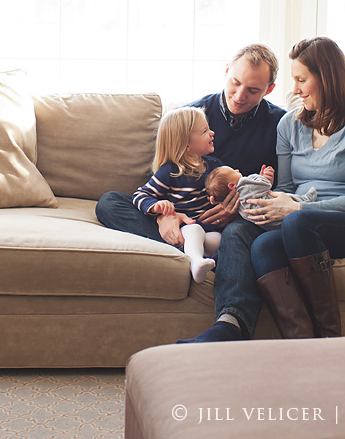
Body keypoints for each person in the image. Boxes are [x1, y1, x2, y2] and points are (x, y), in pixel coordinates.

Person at [96, 43, 286, 343]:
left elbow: (283, 188)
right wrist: (163, 215)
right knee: (109, 203)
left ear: (270, 89)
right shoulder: (194, 115)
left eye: (253, 90)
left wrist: (238, 205)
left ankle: (230, 324)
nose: (239, 96)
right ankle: (193, 247)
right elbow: (160, 178)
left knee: (236, 236)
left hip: (238, 219)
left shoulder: (279, 124)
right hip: (184, 216)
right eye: (235, 83)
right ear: (226, 72)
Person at [243, 36, 345, 339]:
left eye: (301, 79)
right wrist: (269, 204)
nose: (295, 89)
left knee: (298, 222)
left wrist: (297, 208)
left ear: (326, 77)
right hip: (303, 224)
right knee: (262, 246)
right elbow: (286, 188)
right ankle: (301, 342)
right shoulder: (288, 126)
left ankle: (328, 338)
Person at [132, 107, 224, 283]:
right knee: (194, 230)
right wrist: (156, 206)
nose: (212, 133)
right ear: (187, 144)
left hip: (210, 233)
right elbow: (140, 195)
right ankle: (196, 263)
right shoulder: (169, 172)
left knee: (220, 239)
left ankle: (205, 262)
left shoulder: (215, 166)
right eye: (205, 131)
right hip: (187, 230)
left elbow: (234, 184)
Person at [205, 165, 317, 230]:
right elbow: (266, 185)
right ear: (232, 186)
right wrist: (262, 177)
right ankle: (306, 199)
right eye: (234, 171)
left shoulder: (239, 203)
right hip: (275, 209)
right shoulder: (244, 184)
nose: (238, 170)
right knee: (286, 197)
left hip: (266, 225)